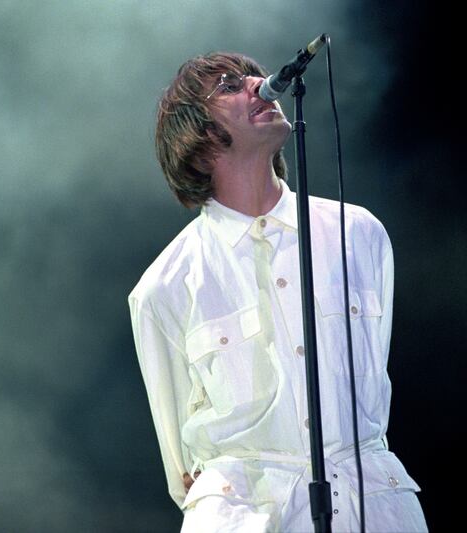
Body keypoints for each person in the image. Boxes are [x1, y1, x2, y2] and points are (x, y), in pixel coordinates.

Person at [128, 51, 428, 532]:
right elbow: (183, 468)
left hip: (372, 509)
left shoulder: (358, 233)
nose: (257, 84)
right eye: (228, 85)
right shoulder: (165, 287)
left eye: (251, 75)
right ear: (198, 137)